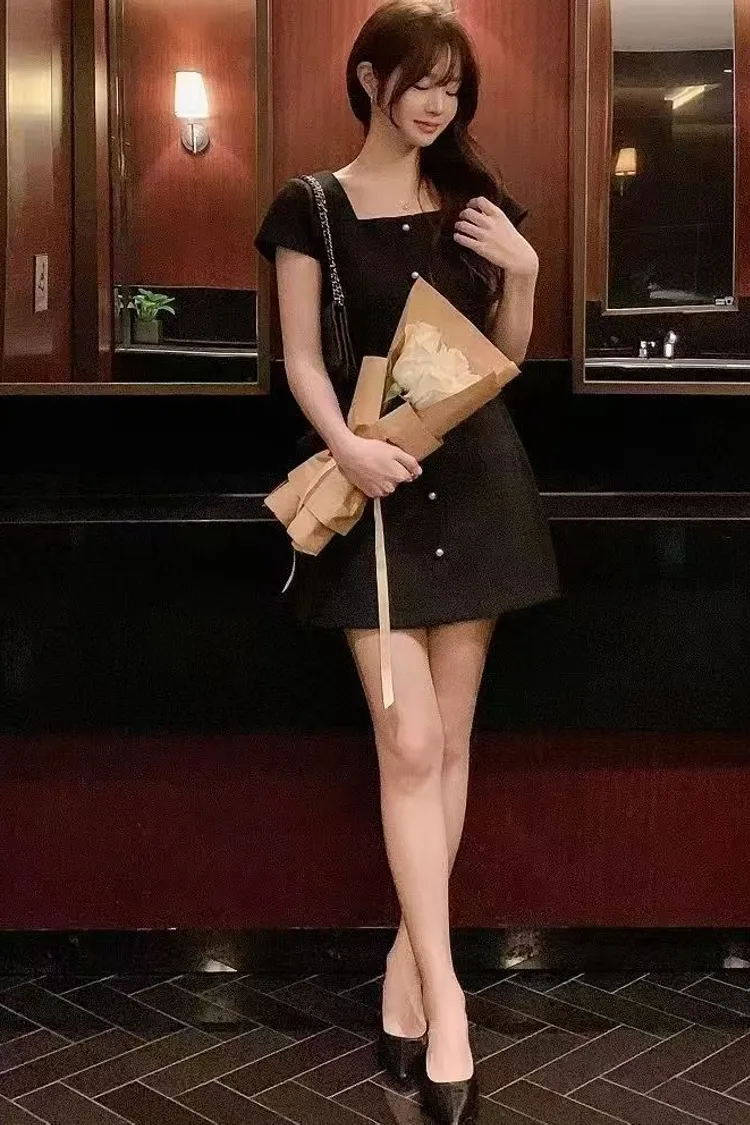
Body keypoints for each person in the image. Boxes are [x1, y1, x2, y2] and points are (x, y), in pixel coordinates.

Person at [255, 2, 559, 1120]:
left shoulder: (475, 201)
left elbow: (501, 360)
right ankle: (452, 1001)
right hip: (374, 490)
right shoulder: (311, 206)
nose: (438, 104)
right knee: (411, 741)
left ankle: (407, 974)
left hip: (475, 482)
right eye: (421, 82)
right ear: (369, 78)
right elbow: (301, 358)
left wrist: (526, 270)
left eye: (454, 88)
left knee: (452, 742)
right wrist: (346, 447)